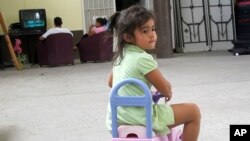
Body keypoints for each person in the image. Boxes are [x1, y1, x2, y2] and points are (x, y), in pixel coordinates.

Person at [106, 5, 201, 141]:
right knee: (193, 112)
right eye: (145, 31)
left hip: (118, 118)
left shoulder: (121, 56)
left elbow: (111, 83)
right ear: (127, 37)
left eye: (153, 29)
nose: (152, 35)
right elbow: (166, 90)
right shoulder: (143, 58)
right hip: (143, 118)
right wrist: (167, 89)